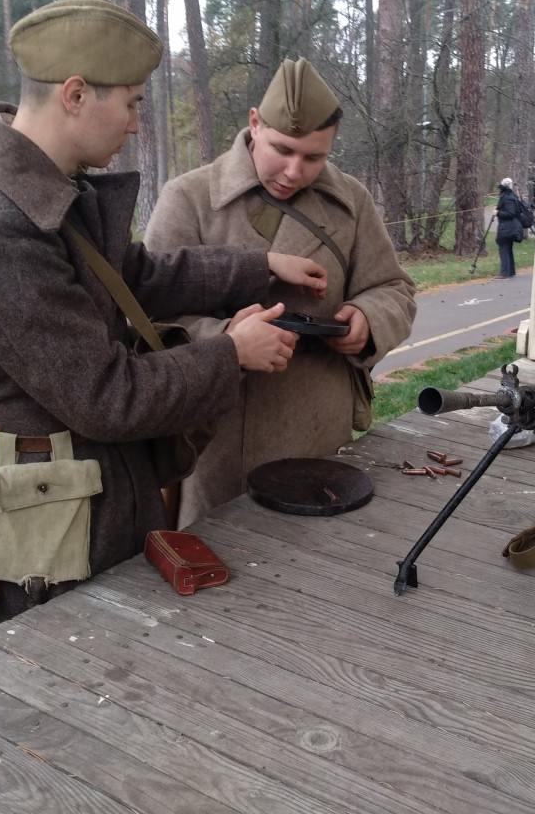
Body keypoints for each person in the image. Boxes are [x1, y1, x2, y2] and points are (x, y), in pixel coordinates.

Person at [0, 0, 327, 655]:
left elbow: (132, 274)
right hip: (52, 522)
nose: (138, 124)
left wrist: (257, 267)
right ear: (76, 95)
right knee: (61, 690)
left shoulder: (31, 192)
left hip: (70, 495)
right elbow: (107, 397)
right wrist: (231, 353)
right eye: (132, 103)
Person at [144, 58, 417, 527]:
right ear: (254, 123)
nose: (294, 171)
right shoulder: (189, 197)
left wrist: (368, 318)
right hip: (217, 439)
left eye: (314, 158)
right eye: (282, 150)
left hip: (317, 429)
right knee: (222, 564)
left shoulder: (351, 201)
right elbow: (147, 317)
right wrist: (228, 338)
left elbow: (394, 288)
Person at [495, 176, 531, 278]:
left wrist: (498, 212)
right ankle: (510, 271)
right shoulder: (512, 196)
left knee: (504, 248)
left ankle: (505, 273)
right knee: (508, 248)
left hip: (508, 227)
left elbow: (510, 213)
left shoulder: (507, 198)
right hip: (511, 227)